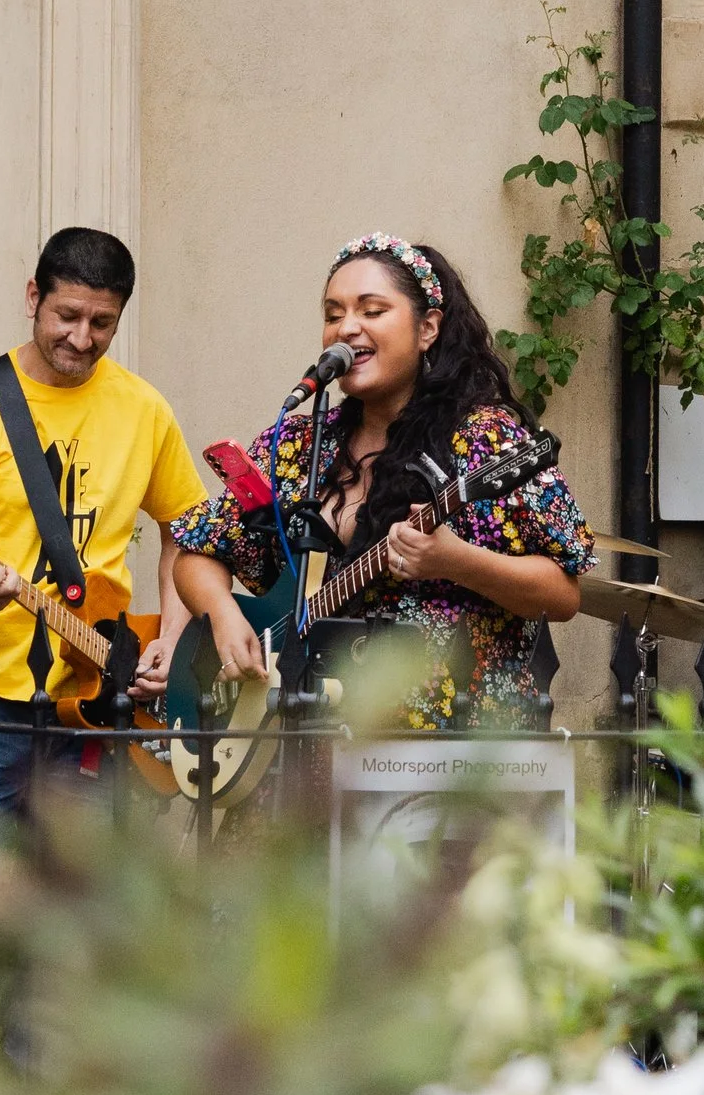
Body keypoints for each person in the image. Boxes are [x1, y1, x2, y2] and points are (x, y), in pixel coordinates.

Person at [0, 225, 210, 983]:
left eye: (101, 322)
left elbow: (189, 532)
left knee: (78, 925)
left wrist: (170, 636)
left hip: (98, 699)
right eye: (66, 315)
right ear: (33, 296)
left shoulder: (143, 409)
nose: (81, 336)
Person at [170, 235, 590, 732]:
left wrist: (456, 561)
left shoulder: (486, 438)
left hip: (451, 744)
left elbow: (563, 595)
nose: (347, 328)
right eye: (333, 314)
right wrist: (223, 616)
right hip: (310, 742)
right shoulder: (302, 445)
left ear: (428, 328)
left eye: (372, 311)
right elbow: (198, 552)